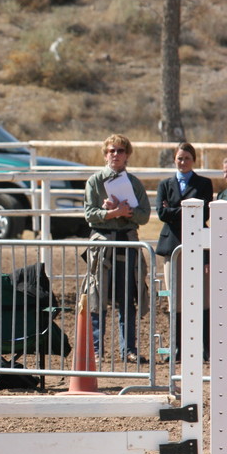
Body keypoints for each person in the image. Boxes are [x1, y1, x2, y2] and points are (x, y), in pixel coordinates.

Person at [81, 134, 151, 364]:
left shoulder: (134, 184)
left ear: (127, 155)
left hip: (127, 242)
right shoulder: (95, 181)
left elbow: (144, 215)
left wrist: (127, 211)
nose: (115, 155)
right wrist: (111, 213)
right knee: (97, 296)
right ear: (105, 153)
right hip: (102, 244)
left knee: (127, 296)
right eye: (111, 150)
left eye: (120, 151)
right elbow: (89, 215)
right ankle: (97, 350)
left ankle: (128, 349)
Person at [155, 142, 213, 361]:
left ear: (193, 160)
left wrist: (174, 209)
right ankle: (176, 347)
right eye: (179, 158)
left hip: (198, 244)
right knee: (175, 299)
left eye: (187, 158)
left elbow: (203, 212)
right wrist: (187, 209)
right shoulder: (165, 184)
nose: (183, 162)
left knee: (204, 298)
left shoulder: (204, 183)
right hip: (173, 246)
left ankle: (206, 347)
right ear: (174, 159)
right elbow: (161, 213)